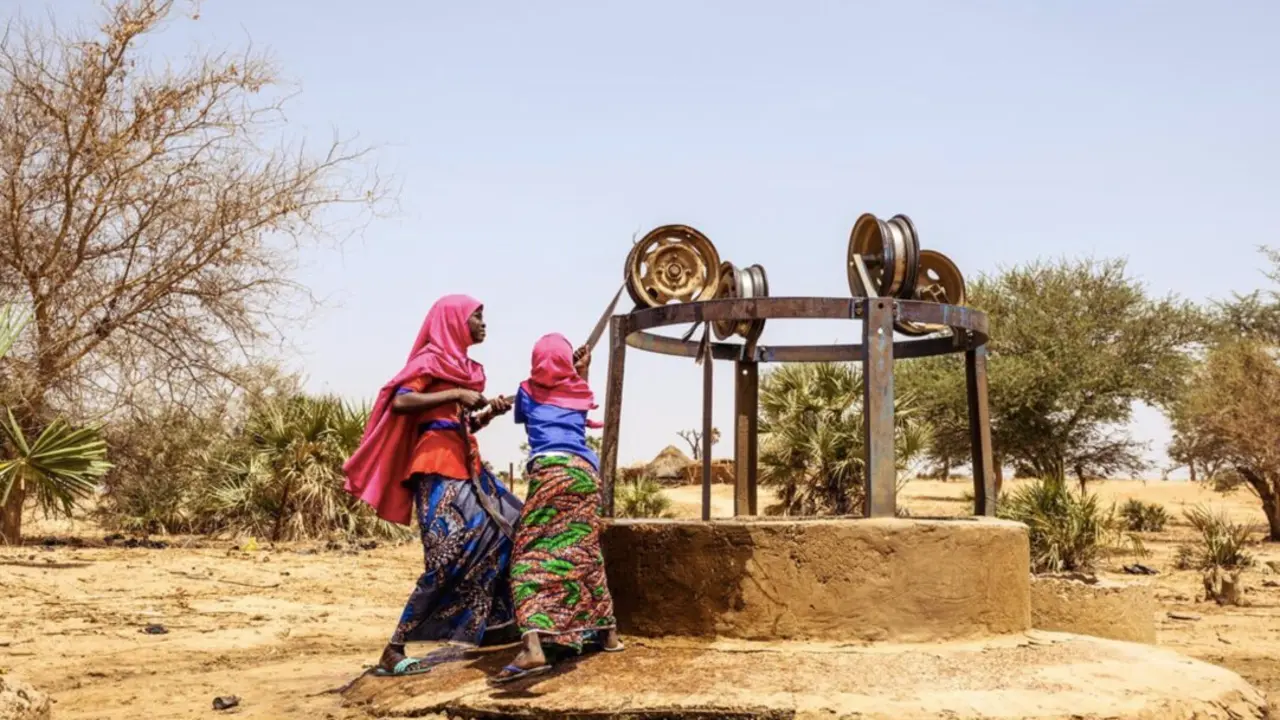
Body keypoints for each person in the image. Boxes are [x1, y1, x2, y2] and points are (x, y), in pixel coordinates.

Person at [343, 294, 523, 677]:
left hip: (467, 466)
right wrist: (457, 394)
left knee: (510, 528)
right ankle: (393, 649)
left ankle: (495, 625)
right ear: (455, 321)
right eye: (477, 316)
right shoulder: (430, 361)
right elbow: (401, 403)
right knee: (445, 558)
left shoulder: (466, 367)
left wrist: (488, 412)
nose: (483, 323)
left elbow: (460, 425)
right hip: (437, 467)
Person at [490, 333, 622, 684]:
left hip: (550, 473)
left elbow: (527, 412)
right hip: (584, 474)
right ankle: (608, 634)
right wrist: (581, 371)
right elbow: (575, 399)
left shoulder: (526, 391)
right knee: (582, 549)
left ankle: (533, 646)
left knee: (527, 559)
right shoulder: (578, 390)